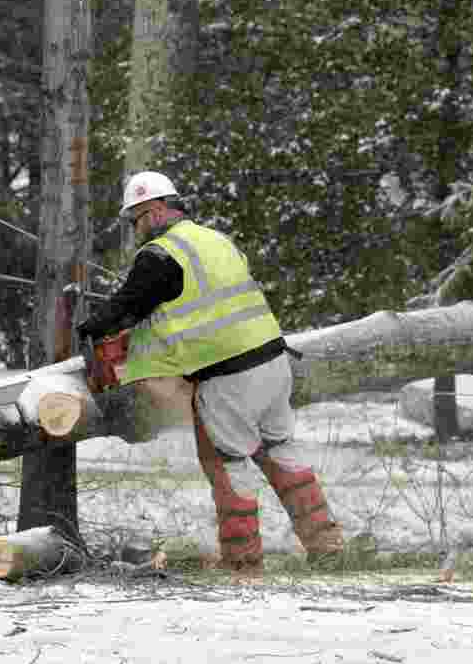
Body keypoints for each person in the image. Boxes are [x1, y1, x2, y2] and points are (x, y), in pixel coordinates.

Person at [75, 171, 344, 579]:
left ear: (156, 209)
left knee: (227, 466)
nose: (135, 229)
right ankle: (327, 548)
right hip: (274, 362)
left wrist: (89, 329)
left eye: (136, 219)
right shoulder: (216, 240)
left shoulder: (160, 254)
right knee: (281, 454)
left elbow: (129, 305)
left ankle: (242, 565)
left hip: (229, 374)